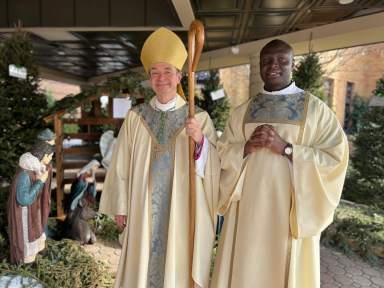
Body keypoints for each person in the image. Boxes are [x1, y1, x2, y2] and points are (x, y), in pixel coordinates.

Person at [211, 39, 349, 288]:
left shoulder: (315, 111)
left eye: (281, 60)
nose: (273, 66)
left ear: (292, 64)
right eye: (267, 61)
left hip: (289, 212)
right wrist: (245, 148)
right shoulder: (243, 111)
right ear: (261, 65)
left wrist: (286, 149)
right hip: (247, 212)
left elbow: (334, 159)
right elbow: (221, 152)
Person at [99, 27, 220, 288]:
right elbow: (120, 165)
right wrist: (121, 205)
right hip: (142, 208)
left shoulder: (198, 118)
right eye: (155, 73)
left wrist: (201, 141)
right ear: (150, 79)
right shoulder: (136, 117)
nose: (161, 78)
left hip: (181, 208)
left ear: (179, 77)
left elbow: (216, 167)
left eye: (168, 72)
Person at [7, 142, 54, 264]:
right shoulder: (24, 174)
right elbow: (24, 199)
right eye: (50, 156)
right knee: (26, 239)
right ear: (43, 156)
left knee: (35, 235)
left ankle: (34, 259)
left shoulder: (36, 168)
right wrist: (40, 182)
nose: (51, 158)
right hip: (24, 215)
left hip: (32, 212)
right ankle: (25, 263)